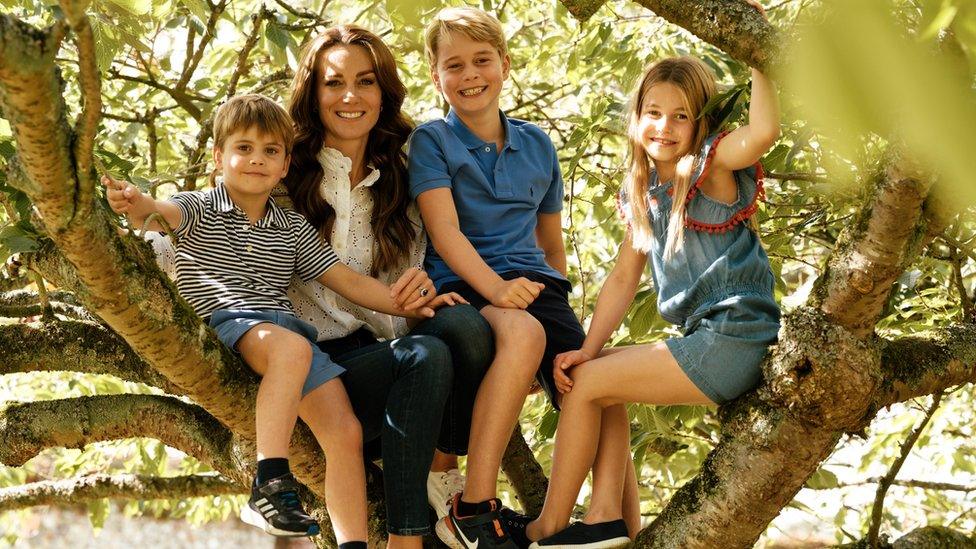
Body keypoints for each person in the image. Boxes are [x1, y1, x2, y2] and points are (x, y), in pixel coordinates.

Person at [102, 94, 463, 546]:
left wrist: (413, 305)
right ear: (219, 157)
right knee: (292, 347)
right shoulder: (198, 207)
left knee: (345, 431)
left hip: (286, 336)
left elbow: (347, 282)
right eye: (244, 148)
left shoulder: (291, 226)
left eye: (271, 151)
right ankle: (269, 482)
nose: (257, 160)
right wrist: (132, 200)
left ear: (286, 164)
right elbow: (157, 213)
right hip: (230, 323)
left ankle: (352, 543)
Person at [524, 28, 782, 549]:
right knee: (595, 377)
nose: (664, 126)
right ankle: (612, 524)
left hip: (735, 337)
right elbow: (622, 280)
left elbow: (762, 135)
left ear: (700, 122)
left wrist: (761, 54)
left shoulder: (707, 168)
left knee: (593, 384)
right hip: (706, 338)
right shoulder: (644, 190)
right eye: (654, 112)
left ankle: (547, 528)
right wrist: (584, 351)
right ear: (637, 117)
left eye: (680, 115)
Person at [408, 8, 639, 548]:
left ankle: (613, 522)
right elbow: (445, 233)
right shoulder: (432, 140)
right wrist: (495, 290)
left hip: (537, 287)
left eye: (482, 60)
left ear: (505, 65)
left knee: (597, 378)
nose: (470, 75)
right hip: (467, 286)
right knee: (522, 333)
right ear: (435, 75)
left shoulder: (536, 144)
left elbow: (551, 245)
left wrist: (561, 322)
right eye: (454, 65)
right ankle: (474, 506)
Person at [283, 25, 495, 549]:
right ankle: (407, 537)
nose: (350, 96)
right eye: (334, 84)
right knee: (423, 357)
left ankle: (442, 475)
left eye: (366, 81)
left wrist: (424, 294)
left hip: (391, 362)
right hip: (316, 370)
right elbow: (207, 217)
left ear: (385, 93)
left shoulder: (407, 166)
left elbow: (471, 230)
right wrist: (148, 224)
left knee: (466, 327)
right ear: (313, 94)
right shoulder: (283, 165)